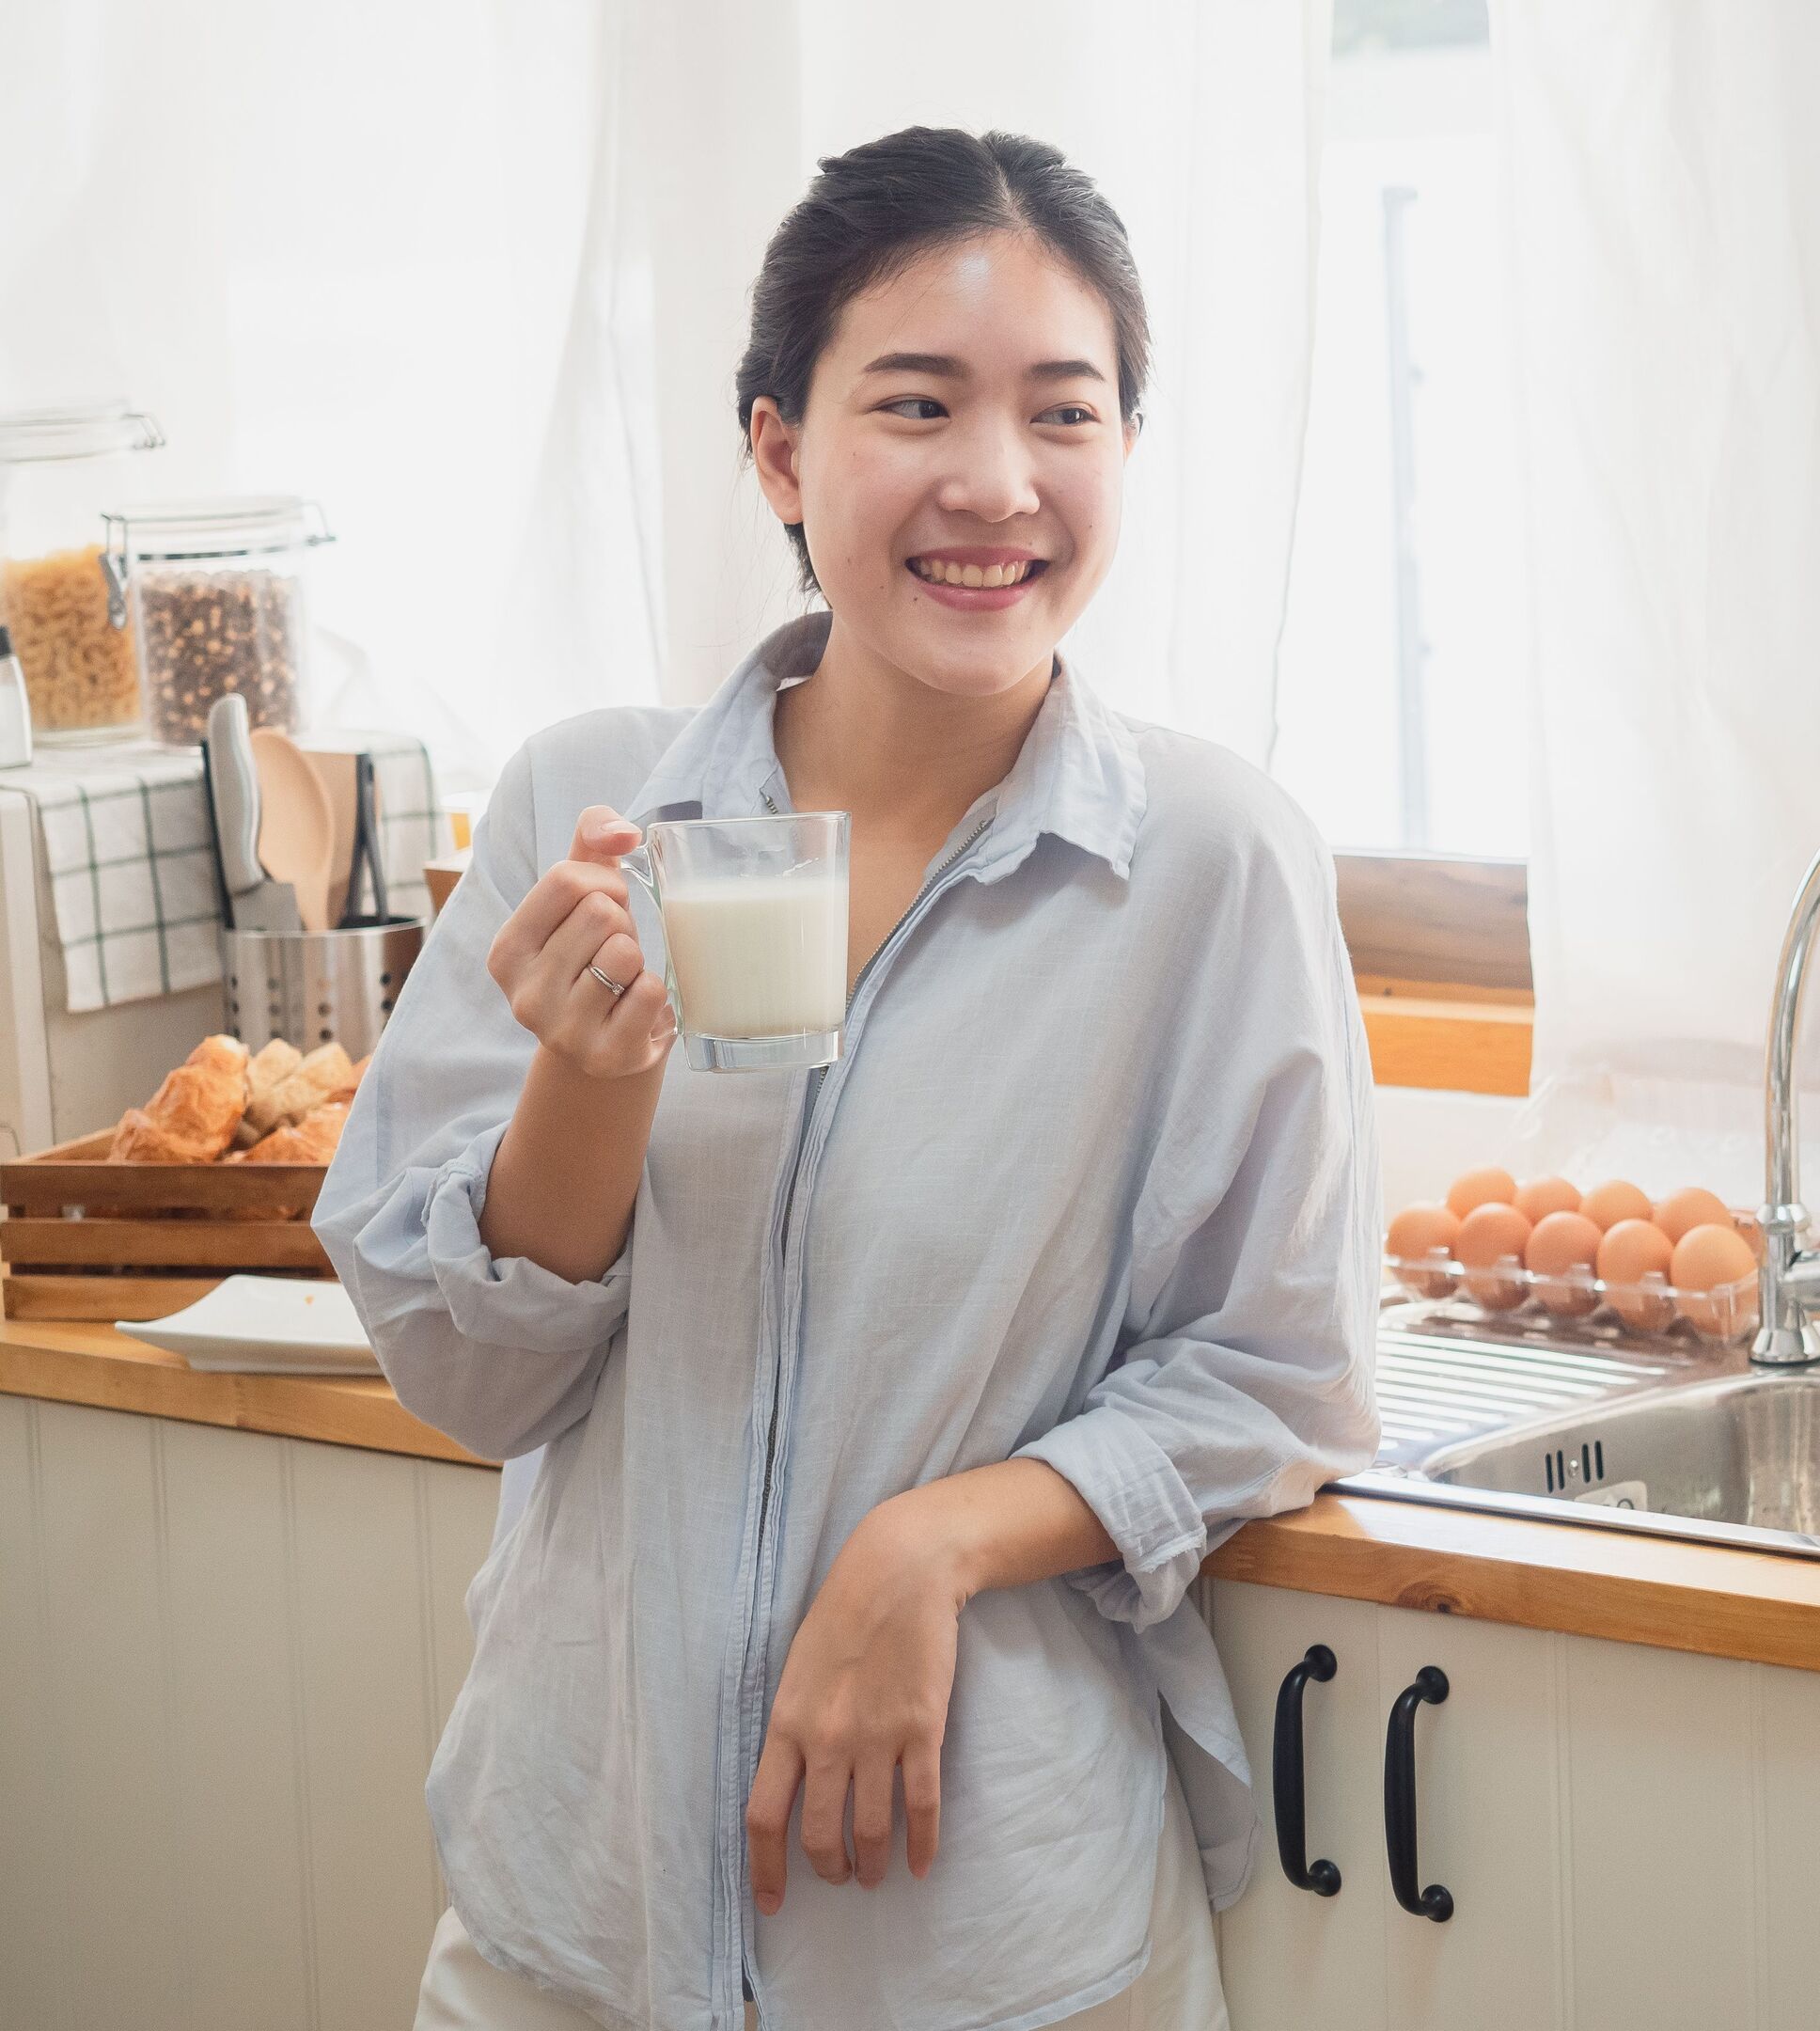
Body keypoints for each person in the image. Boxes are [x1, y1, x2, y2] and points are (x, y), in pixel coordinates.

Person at [318, 126, 1379, 2031]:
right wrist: (590, 1076)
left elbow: (1281, 1364)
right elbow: (482, 1379)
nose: (997, 483)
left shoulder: (1208, 862)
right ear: (784, 453)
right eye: (917, 403)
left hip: (986, 1938)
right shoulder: (603, 809)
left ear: (1125, 451)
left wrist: (938, 1542)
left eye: (1067, 412)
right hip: (580, 1916)